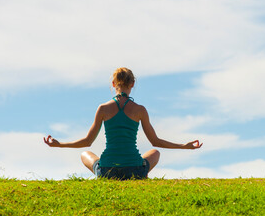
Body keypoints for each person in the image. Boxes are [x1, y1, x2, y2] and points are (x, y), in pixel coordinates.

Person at [44, 67, 202, 180]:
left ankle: (108, 173)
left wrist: (60, 144)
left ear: (113, 84)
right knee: (155, 152)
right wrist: (184, 146)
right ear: (132, 84)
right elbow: (156, 141)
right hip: (135, 171)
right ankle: (141, 176)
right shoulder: (140, 110)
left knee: (85, 155)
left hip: (107, 171)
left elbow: (87, 142)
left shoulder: (103, 109)